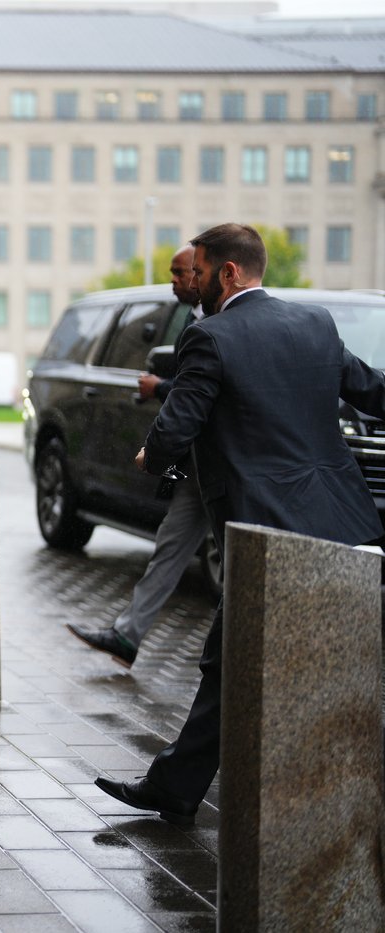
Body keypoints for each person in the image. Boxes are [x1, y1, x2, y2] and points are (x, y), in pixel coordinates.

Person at [94, 223, 385, 824]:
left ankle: (188, 788)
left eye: (198, 270)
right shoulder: (315, 323)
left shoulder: (209, 336)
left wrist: (153, 457)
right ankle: (180, 786)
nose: (193, 281)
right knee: (280, 657)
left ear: (227, 273)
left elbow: (179, 422)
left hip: (263, 529)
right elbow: (373, 391)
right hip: (342, 521)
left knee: (233, 658)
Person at [68, 245, 210, 666]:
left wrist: (159, 394)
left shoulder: (222, 323)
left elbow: (199, 393)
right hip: (197, 465)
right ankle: (127, 636)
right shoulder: (195, 318)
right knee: (171, 545)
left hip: (229, 469)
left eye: (182, 272)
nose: (175, 281)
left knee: (244, 562)